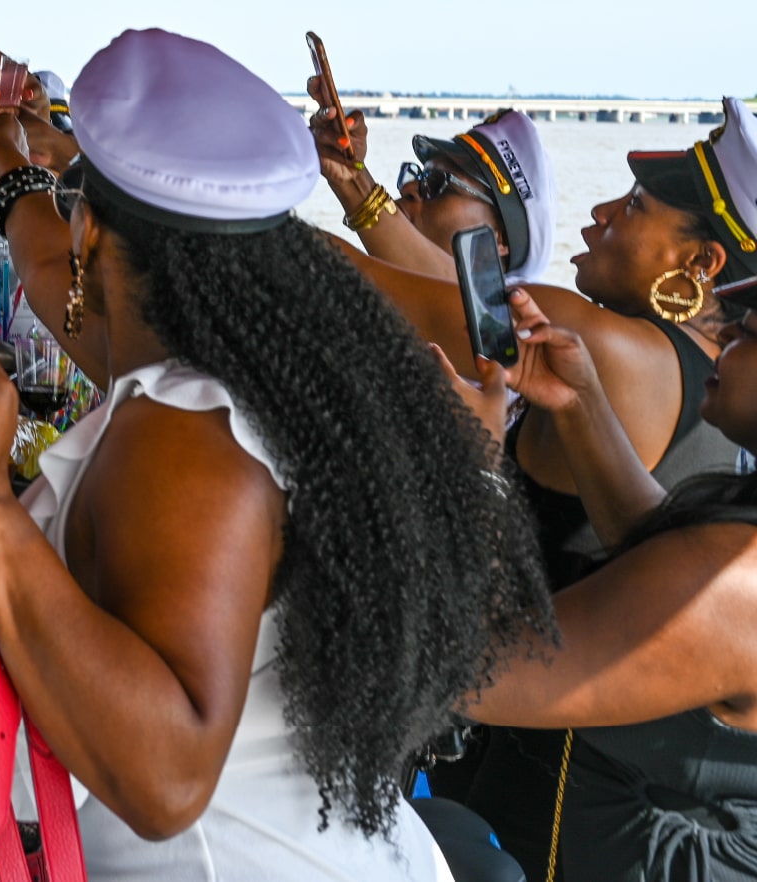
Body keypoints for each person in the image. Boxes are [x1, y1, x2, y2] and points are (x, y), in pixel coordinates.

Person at [0, 29, 551, 880]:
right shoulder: (272, 376)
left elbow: (166, 779)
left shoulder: (187, 436)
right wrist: (8, 163)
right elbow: (50, 270)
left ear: (93, 234)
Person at [335, 97, 757, 586]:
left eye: (635, 205)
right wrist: (354, 184)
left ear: (702, 262)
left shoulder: (604, 346)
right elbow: (455, 291)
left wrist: (247, 204)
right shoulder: (715, 382)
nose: (602, 210)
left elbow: (411, 296)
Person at [447, 276, 757, 881]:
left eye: (747, 334)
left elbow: (461, 669)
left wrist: (473, 468)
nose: (720, 334)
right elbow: (660, 548)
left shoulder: (732, 584)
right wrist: (580, 401)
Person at [311, 95, 556, 284]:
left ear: (498, 237)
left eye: (437, 183)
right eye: (420, 175)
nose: (409, 187)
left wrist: (353, 180)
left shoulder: (507, 339)